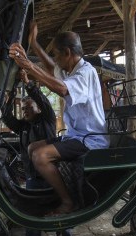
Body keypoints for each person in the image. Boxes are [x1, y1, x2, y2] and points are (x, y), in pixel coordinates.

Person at [9, 21, 109, 215]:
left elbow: (62, 89)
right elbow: (51, 68)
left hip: (90, 139)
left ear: (68, 53)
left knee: (40, 156)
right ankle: (54, 186)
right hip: (75, 136)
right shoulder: (69, 70)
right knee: (32, 147)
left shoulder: (85, 72)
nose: (55, 59)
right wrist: (34, 44)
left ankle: (67, 201)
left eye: (56, 54)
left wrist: (28, 65)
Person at [2, 69, 73, 236]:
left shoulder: (47, 118)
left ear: (37, 108)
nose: (25, 111)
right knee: (32, 213)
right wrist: (10, 97)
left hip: (52, 174)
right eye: (23, 109)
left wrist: (28, 83)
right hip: (33, 177)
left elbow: (42, 99)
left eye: (28, 108)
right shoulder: (23, 127)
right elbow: (6, 117)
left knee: (59, 208)